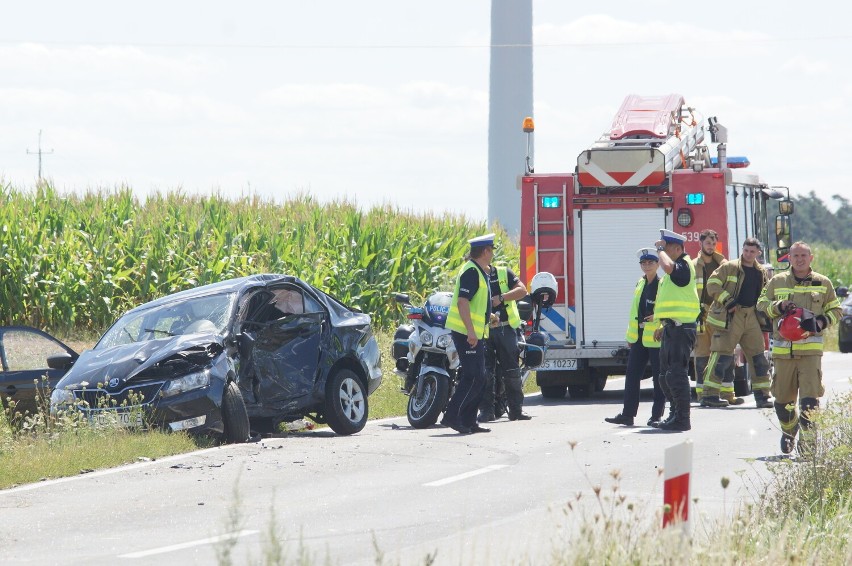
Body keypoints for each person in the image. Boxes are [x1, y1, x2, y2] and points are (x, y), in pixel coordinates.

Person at [756, 241, 841, 455]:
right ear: (789, 258)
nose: (800, 259)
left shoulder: (823, 282)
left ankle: (808, 443)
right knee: (782, 401)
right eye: (795, 256)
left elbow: (836, 310)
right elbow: (761, 303)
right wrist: (778, 307)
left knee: (809, 401)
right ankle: (789, 430)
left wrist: (821, 322)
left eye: (804, 255)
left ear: (810, 258)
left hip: (810, 353)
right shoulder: (777, 281)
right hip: (783, 354)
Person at [700, 238, 773, 409]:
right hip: (731, 315)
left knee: (758, 357)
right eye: (746, 250)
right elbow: (712, 284)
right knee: (721, 356)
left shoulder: (760, 271)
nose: (748, 254)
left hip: (751, 316)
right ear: (743, 249)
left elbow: (764, 294)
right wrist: (728, 301)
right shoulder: (730, 267)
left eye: (752, 251)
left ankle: (762, 396)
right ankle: (709, 395)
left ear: (758, 253)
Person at [441, 233, 496, 435]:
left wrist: (488, 316)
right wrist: (471, 331)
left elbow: (473, 303)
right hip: (466, 333)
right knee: (472, 376)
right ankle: (452, 416)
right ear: (485, 251)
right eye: (491, 250)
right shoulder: (471, 271)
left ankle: (469, 420)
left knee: (479, 377)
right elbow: (462, 302)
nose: (492, 254)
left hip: (474, 332)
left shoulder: (479, 271)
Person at [604, 247, 666, 427]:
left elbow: (667, 307)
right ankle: (627, 414)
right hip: (638, 338)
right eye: (643, 263)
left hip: (655, 337)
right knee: (631, 376)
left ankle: (656, 416)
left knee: (658, 378)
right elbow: (634, 312)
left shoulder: (663, 284)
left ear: (658, 264)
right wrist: (630, 337)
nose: (647, 266)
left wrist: (658, 317)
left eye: (651, 263)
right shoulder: (640, 283)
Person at [652, 229, 700, 432]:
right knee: (665, 376)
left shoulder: (682, 266)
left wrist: (660, 250)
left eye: (667, 248)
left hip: (682, 328)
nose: (663, 253)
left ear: (678, 248)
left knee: (676, 375)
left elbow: (668, 266)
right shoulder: (674, 272)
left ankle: (683, 418)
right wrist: (663, 324)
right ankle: (674, 413)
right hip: (672, 327)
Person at [478, 261, 530, 422]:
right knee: (485, 372)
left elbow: (522, 290)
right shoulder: (473, 275)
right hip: (483, 330)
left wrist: (501, 297)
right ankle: (487, 411)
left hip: (505, 329)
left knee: (512, 371)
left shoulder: (503, 273)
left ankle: (516, 410)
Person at [692, 229, 726, 403]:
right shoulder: (693, 265)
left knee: (721, 352)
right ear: (701, 243)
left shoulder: (723, 265)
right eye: (707, 243)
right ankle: (701, 392)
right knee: (702, 353)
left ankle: (725, 393)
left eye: (713, 244)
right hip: (701, 314)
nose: (711, 247)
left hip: (719, 313)